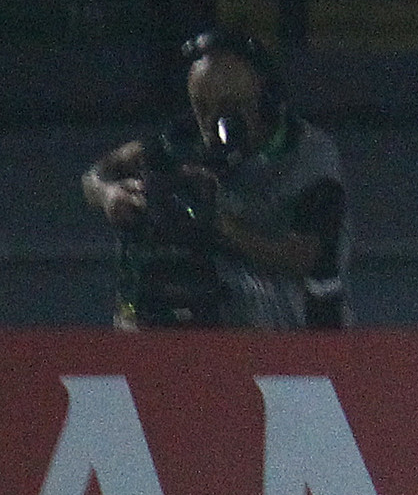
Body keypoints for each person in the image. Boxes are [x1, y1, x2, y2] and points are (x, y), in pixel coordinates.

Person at [82, 28, 353, 329]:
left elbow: (302, 257)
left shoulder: (309, 154)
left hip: (293, 324)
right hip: (214, 314)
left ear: (261, 96)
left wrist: (217, 225)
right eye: (203, 106)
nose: (215, 122)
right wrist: (109, 194)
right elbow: (98, 173)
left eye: (230, 105)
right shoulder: (183, 137)